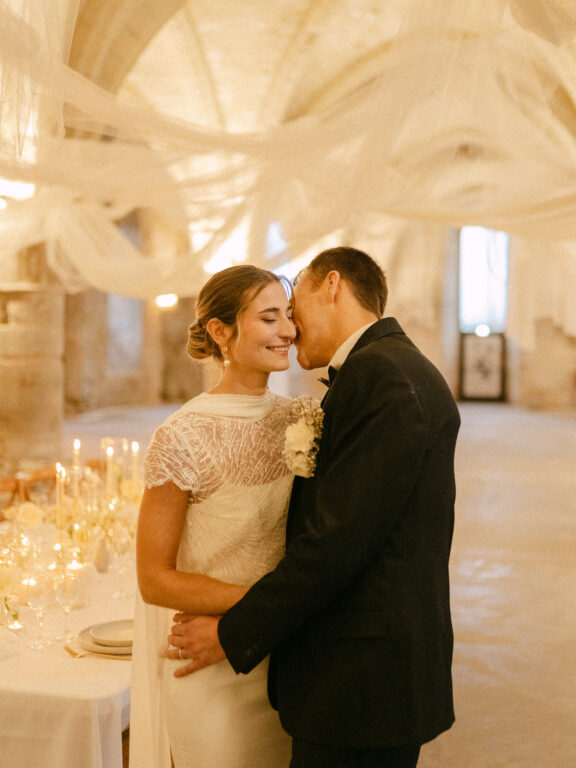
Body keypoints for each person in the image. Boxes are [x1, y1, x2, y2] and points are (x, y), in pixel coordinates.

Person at [166, 246, 461, 768]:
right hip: (361, 673)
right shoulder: (383, 368)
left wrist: (232, 631)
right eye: (272, 314)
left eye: (292, 302)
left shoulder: (382, 377)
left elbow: (337, 543)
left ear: (331, 285)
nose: (291, 325)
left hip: (361, 680)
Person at [129, 264, 297, 768]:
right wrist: (265, 610)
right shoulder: (181, 436)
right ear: (221, 332)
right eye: (269, 318)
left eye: (288, 315)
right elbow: (154, 579)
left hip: (288, 657)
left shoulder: (300, 419)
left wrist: (272, 620)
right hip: (209, 657)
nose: (287, 330)